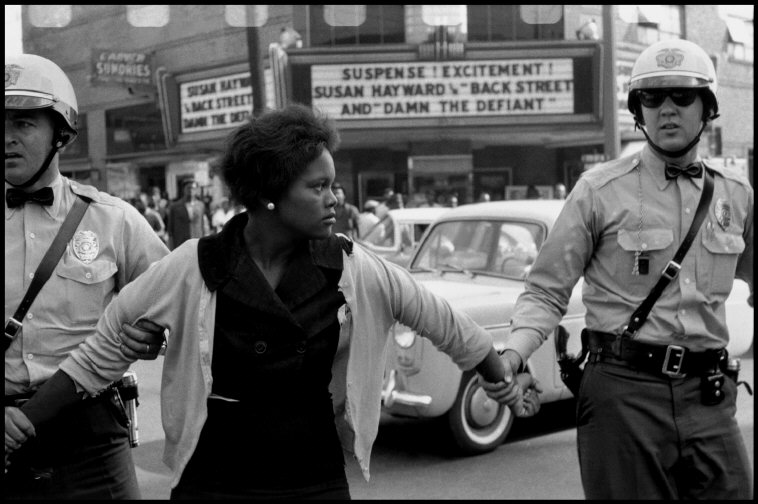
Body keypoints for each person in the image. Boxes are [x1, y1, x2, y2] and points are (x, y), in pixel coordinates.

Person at [9, 104, 540, 500]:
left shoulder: (354, 267)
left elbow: (443, 321)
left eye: (334, 186)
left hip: (313, 474)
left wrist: (499, 374)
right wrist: (25, 421)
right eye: (319, 187)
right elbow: (101, 353)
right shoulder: (194, 265)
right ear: (269, 193)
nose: (336, 199)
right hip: (214, 475)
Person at [482, 38, 753, 499]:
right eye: (652, 97)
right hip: (624, 395)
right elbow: (546, 291)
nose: (667, 109)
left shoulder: (737, 194)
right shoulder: (598, 191)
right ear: (638, 110)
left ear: (707, 108)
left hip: (708, 397)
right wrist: (512, 356)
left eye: (682, 96)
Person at [4, 53, 169, 499]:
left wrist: (155, 338)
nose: (7, 139)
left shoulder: (114, 221)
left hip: (91, 434)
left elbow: (177, 304)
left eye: (23, 124)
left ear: (61, 133)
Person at [166, 179, 210, 250]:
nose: (191, 190)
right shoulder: (175, 206)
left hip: (197, 243)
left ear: (196, 190)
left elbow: (204, 225)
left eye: (193, 188)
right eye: (188, 188)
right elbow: (170, 231)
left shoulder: (201, 205)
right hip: (181, 244)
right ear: (184, 189)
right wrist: (171, 248)